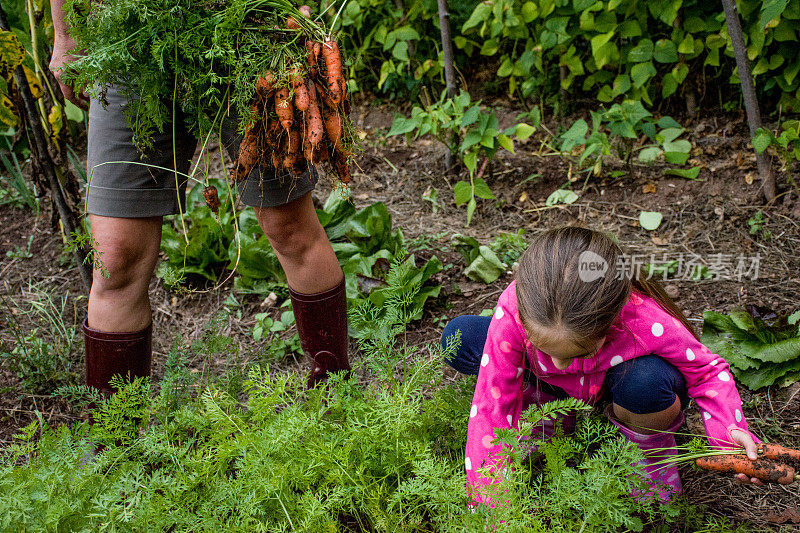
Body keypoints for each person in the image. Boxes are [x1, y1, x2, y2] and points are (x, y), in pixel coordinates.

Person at [49, 0, 350, 396]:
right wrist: (65, 34)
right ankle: (115, 443)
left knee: (290, 225)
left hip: (246, 28)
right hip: (126, 34)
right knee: (116, 257)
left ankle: (336, 397)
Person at [441, 226, 763, 506]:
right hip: (552, 387)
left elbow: (707, 372)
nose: (557, 363)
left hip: (614, 385)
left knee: (646, 382)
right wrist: (489, 499)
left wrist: (727, 437)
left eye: (574, 353)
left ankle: (647, 456)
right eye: (545, 349)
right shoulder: (514, 309)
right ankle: (549, 415)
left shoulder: (641, 318)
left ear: (610, 324)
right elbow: (491, 403)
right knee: (463, 337)